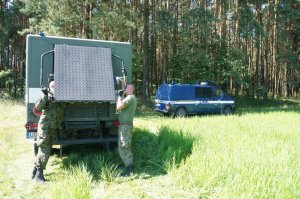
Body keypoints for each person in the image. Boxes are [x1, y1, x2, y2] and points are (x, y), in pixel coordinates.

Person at [32, 81, 65, 183]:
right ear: (50, 88)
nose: (55, 88)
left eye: (56, 86)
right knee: (45, 149)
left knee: (46, 149)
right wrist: (45, 95)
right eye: (53, 86)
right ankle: (39, 175)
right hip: (45, 127)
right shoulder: (46, 96)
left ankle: (35, 170)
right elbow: (38, 107)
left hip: (53, 127)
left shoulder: (61, 97)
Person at [116, 84, 137, 177]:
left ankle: (130, 170)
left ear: (131, 89)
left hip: (125, 127)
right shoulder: (129, 98)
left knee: (125, 147)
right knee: (122, 147)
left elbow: (119, 106)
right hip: (124, 126)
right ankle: (129, 167)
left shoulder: (130, 98)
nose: (125, 89)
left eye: (126, 87)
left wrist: (119, 96)